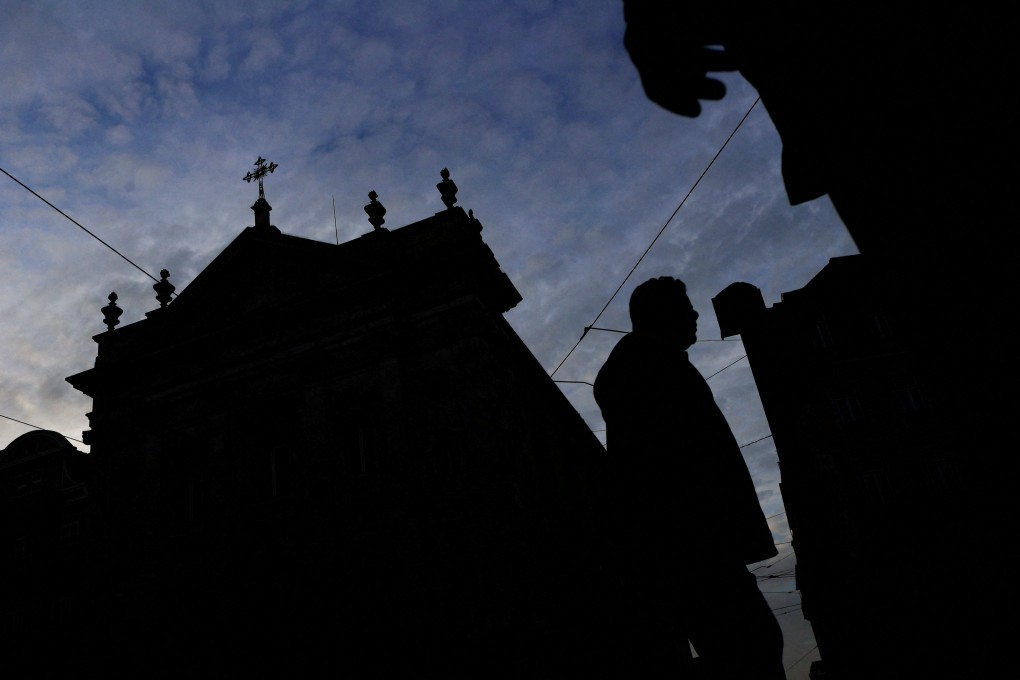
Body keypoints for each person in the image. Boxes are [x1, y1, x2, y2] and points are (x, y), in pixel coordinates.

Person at [594, 276, 785, 679]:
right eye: (684, 307)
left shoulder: (653, 364)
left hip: (694, 545)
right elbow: (673, 464)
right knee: (751, 645)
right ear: (659, 314)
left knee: (752, 644)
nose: (695, 314)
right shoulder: (647, 368)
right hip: (694, 544)